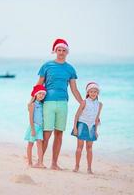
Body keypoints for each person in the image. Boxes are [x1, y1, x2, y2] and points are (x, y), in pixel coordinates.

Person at [36, 38, 83, 170]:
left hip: (63, 103)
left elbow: (74, 89)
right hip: (48, 103)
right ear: (55, 51)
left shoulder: (70, 69)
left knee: (59, 134)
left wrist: (82, 102)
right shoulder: (47, 66)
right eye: (59, 50)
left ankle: (54, 163)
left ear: (67, 52)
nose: (61, 52)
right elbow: (38, 85)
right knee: (46, 133)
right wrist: (32, 102)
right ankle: (39, 161)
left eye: (64, 50)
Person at [71, 82, 103, 174]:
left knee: (89, 148)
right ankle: (77, 166)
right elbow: (77, 115)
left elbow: (97, 118)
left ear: (98, 93)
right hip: (82, 125)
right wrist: (75, 128)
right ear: (88, 92)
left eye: (95, 92)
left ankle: (89, 168)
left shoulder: (100, 104)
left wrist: (96, 131)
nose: (93, 93)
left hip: (92, 126)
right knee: (79, 147)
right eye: (91, 91)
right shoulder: (84, 102)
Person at [24, 84, 47, 168]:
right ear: (36, 94)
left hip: (40, 127)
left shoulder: (42, 105)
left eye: (43, 94)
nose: (41, 95)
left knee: (40, 144)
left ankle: (40, 163)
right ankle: (30, 163)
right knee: (30, 144)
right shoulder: (33, 105)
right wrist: (33, 129)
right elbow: (30, 118)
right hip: (33, 127)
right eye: (40, 93)